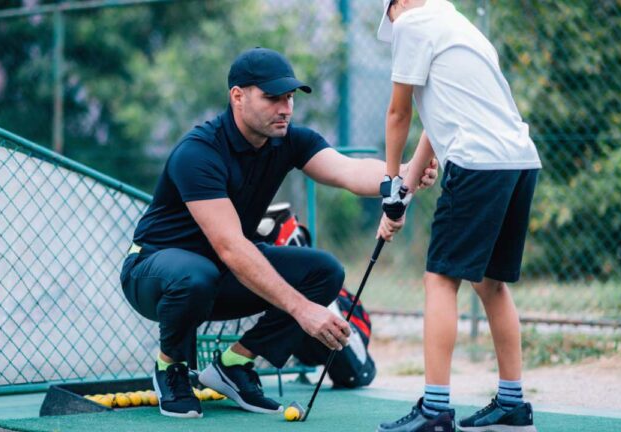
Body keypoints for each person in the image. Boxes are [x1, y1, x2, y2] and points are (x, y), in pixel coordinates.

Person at [120, 47, 438, 419]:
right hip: (153, 273)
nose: (285, 107)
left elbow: (349, 172)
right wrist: (303, 311)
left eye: (289, 97)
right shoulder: (198, 153)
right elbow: (231, 247)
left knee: (324, 271)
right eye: (272, 97)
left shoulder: (289, 140)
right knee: (196, 275)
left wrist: (400, 173)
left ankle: (234, 365)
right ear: (237, 97)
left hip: (218, 274)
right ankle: (169, 368)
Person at [373, 1, 542, 431]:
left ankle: (435, 411)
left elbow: (399, 113)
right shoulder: (457, 24)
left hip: (478, 163)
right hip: (519, 162)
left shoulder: (412, 22)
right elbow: (435, 118)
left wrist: (388, 185)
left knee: (440, 280)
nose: (393, 25)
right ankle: (512, 404)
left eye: (388, 15)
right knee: (489, 282)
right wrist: (405, 190)